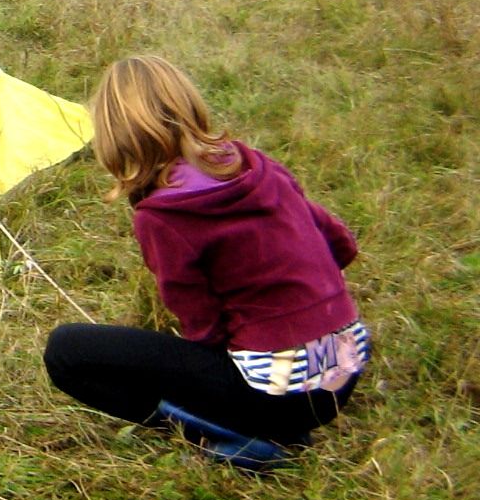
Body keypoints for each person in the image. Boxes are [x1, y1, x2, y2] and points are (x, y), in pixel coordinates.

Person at [43, 56, 369, 469]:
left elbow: (203, 327)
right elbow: (341, 244)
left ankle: (242, 435)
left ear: (115, 138)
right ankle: (269, 420)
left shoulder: (163, 216)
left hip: (279, 397)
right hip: (345, 370)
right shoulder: (255, 163)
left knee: (66, 350)